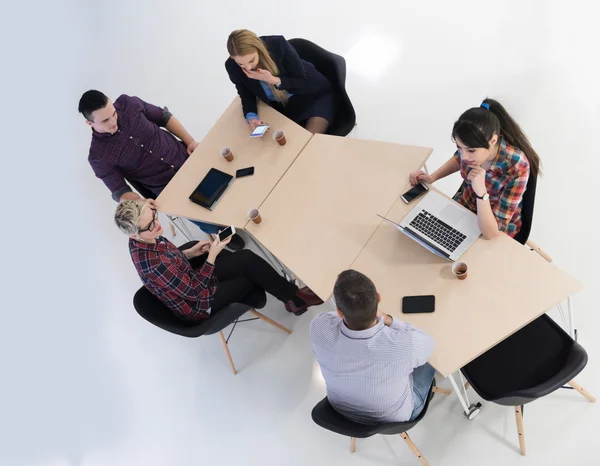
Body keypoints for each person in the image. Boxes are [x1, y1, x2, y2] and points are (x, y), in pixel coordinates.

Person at [79, 90, 245, 250]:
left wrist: (190, 142)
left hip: (185, 158)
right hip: (167, 187)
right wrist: (139, 201)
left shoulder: (128, 103)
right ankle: (221, 231)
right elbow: (119, 190)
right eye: (105, 120)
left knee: (229, 180)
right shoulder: (98, 156)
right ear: (89, 123)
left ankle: (241, 206)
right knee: (198, 212)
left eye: (114, 113)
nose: (113, 121)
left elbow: (163, 117)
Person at [115, 200, 324, 320]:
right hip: (198, 304)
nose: (157, 225)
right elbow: (195, 291)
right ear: (134, 234)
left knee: (246, 259)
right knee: (248, 276)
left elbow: (171, 264)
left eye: (154, 216)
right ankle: (295, 299)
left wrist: (188, 254)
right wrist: (212, 256)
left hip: (188, 278)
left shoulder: (143, 239)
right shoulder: (154, 264)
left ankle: (293, 297)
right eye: (150, 226)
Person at [310, 270, 435, 423]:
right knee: (432, 360)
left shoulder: (318, 326)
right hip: (392, 418)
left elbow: (331, 317)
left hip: (340, 412)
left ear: (338, 311)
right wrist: (388, 319)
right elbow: (428, 342)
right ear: (379, 298)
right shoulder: (405, 345)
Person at [409, 98, 542, 240]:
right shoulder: (469, 151)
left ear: (493, 141)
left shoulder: (517, 166)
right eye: (459, 148)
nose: (464, 156)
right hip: (464, 207)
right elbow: (457, 159)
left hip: (492, 227)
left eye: (471, 151)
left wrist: (481, 193)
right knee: (424, 233)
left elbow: (492, 233)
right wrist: (432, 178)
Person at [225, 29, 334, 135]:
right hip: (283, 106)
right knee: (283, 145)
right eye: (241, 64)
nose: (248, 67)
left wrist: (273, 80)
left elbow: (302, 80)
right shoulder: (232, 66)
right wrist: (251, 117)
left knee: (310, 142)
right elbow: (245, 94)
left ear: (258, 49)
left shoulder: (277, 44)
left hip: (310, 94)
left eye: (251, 60)